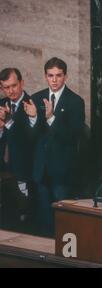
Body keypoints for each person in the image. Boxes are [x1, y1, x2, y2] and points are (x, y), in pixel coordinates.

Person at [28, 57, 85, 236]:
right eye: (50, 75)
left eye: (58, 76)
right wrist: (33, 118)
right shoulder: (36, 98)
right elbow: (32, 137)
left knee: (63, 221)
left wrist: (51, 118)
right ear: (45, 76)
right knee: (44, 220)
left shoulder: (75, 101)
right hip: (41, 170)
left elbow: (73, 136)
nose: (54, 80)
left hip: (63, 172)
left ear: (65, 77)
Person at [0, 68, 35, 228]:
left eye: (13, 86)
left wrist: (8, 122)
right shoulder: (1, 104)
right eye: (6, 87)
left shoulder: (33, 104)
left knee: (22, 216)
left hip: (23, 169)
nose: (10, 91)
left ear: (22, 83)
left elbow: (29, 139)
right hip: (3, 168)